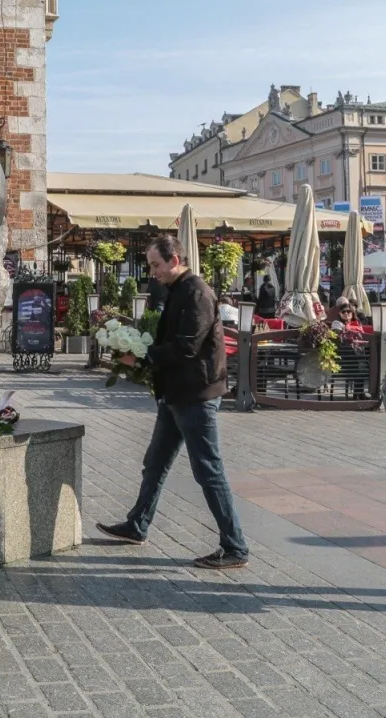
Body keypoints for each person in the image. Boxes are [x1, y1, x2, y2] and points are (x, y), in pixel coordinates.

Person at [95, 234, 249, 570]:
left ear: (174, 260)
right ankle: (137, 525)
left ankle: (235, 546)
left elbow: (187, 347)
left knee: (208, 470)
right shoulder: (178, 290)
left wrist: (142, 356)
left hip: (196, 395)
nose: (153, 272)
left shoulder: (197, 293)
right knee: (155, 462)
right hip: (175, 393)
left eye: (156, 265)